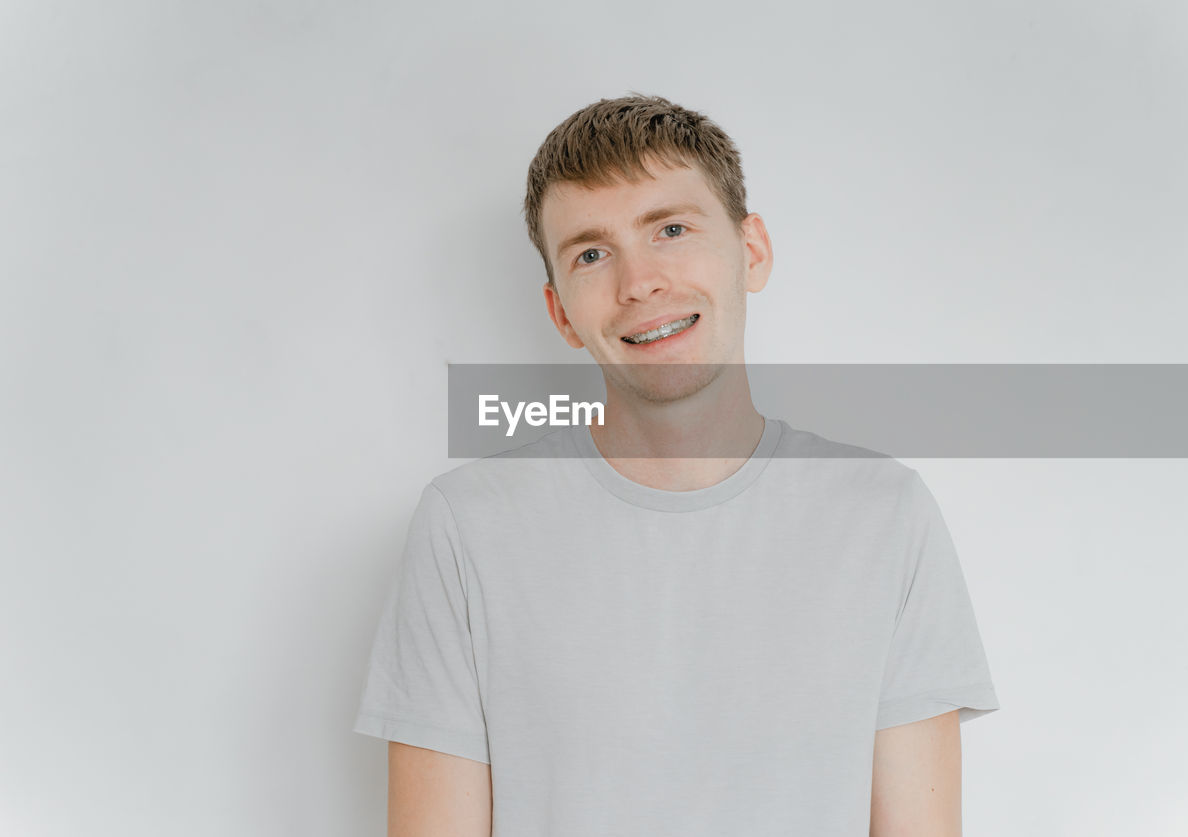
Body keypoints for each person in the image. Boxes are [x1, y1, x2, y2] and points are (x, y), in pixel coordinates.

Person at [353, 94, 999, 836]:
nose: (639, 282)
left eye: (671, 229)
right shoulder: (466, 526)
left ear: (750, 251)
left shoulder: (885, 514)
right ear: (561, 312)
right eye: (592, 253)